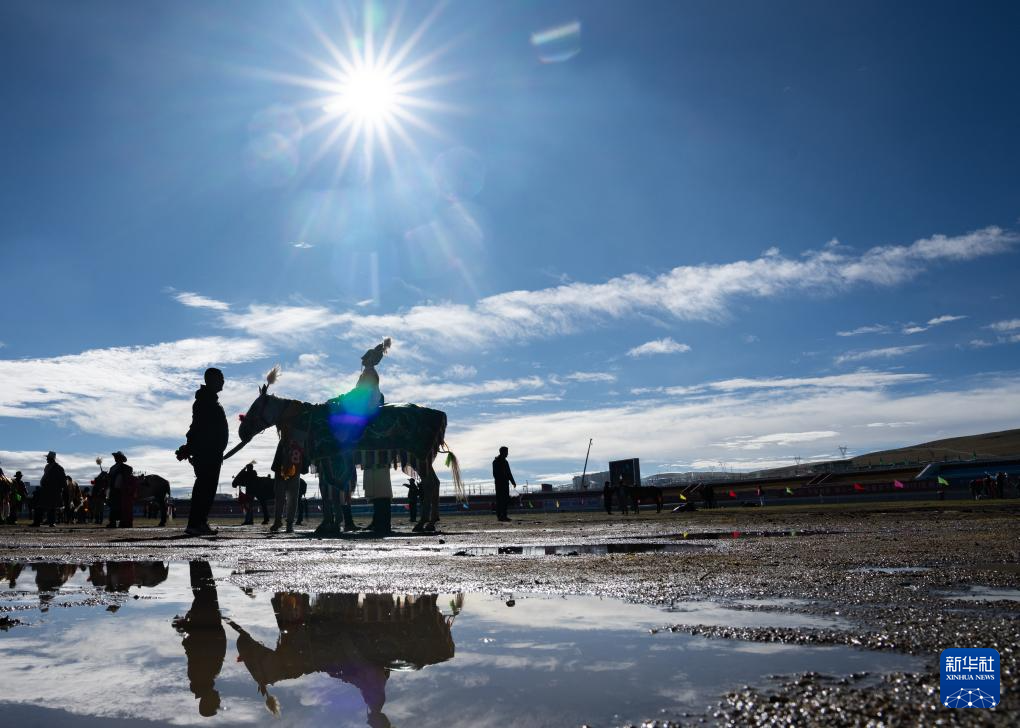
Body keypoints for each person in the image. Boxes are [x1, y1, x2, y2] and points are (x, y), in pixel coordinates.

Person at [177, 368, 229, 537]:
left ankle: (199, 522)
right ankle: (196, 523)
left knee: (207, 489)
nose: (223, 381)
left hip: (212, 453)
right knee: (204, 489)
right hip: (208, 453)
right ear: (212, 380)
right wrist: (190, 447)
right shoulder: (205, 402)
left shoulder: (209, 400)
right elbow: (197, 427)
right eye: (220, 378)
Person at [173, 561, 226, 717]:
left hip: (207, 621)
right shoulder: (201, 679)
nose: (219, 700)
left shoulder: (203, 676)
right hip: (207, 621)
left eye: (216, 704)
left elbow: (194, 648)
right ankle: (197, 559)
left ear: (208, 701)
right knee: (204, 588)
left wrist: (186, 627)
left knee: (205, 588)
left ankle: (197, 558)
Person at [270, 427, 304, 534]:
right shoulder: (297, 440)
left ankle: (283, 522)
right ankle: (284, 523)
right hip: (288, 472)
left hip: (289, 472)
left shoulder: (287, 441)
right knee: (288, 499)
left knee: (287, 499)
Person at [32, 451, 65, 527]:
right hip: (45, 489)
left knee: (51, 507)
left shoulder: (58, 468)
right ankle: (37, 522)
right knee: (40, 505)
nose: (47, 459)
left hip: (53, 490)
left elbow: (63, 480)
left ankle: (51, 522)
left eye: (48, 458)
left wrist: (60, 489)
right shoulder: (47, 467)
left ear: (51, 458)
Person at [363, 462, 394, 536]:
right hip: (382, 486)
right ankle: (383, 525)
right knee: (382, 502)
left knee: (379, 502)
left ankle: (379, 525)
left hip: (377, 482)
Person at [106, 451, 133, 528]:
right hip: (113, 490)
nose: (115, 458)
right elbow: (109, 478)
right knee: (113, 507)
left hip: (122, 491)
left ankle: (123, 522)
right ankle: (113, 522)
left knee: (122, 507)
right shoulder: (112, 468)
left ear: (121, 458)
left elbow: (128, 477)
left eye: (117, 457)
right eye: (115, 457)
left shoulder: (127, 468)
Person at [492, 446, 516, 522]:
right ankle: (500, 516)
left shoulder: (506, 462)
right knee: (500, 500)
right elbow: (495, 474)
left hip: (505, 483)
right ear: (502, 452)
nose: (507, 454)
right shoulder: (495, 462)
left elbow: (509, 473)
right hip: (499, 484)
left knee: (505, 500)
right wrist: (501, 480)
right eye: (506, 452)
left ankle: (504, 515)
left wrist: (512, 481)